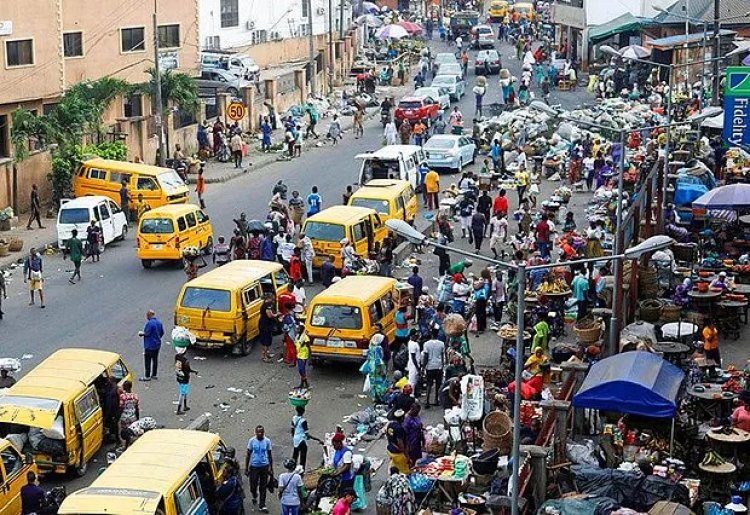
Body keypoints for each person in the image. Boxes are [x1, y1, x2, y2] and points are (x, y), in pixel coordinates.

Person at [246, 425, 273, 512]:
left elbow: (269, 455)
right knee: (253, 486)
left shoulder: (267, 441)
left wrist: (271, 468)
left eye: (261, 432)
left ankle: (262, 504)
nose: (260, 434)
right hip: (254, 466)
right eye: (258, 432)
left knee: (263, 486)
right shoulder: (252, 441)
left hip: (264, 466)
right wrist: (246, 468)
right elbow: (248, 454)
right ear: (255, 432)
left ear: (263, 432)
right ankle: (254, 495)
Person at [362, 334, 388, 402]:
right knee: (379, 382)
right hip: (377, 366)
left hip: (371, 365)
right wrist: (382, 369)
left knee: (373, 382)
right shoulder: (378, 348)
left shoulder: (371, 346)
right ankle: (379, 397)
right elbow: (378, 359)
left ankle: (374, 397)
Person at [139, 309, 164, 381]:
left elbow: (146, 333)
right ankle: (154, 374)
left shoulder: (149, 324)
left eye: (147, 315)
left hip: (149, 345)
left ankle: (147, 376)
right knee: (155, 360)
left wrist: (141, 334)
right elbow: (162, 332)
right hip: (157, 344)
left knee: (147, 360)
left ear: (149, 315)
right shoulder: (159, 323)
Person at [422, 332, 445, 407]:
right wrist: (442, 365)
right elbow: (442, 355)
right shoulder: (441, 344)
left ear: (431, 335)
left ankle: (427, 401)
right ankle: (436, 400)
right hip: (438, 366)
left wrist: (423, 367)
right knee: (438, 384)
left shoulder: (426, 344)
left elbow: (426, 356)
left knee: (429, 384)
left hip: (430, 366)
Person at [386, 409, 410, 473]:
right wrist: (406, 455)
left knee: (395, 464)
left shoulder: (390, 425)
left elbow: (388, 436)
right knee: (404, 470)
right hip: (397, 453)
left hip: (390, 450)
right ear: (402, 418)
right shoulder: (399, 429)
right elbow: (400, 443)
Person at [175, 347, 197, 415]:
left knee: (184, 392)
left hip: (179, 376)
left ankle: (185, 406)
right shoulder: (185, 360)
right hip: (185, 378)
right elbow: (188, 369)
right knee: (182, 393)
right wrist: (194, 371)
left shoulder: (176, 357)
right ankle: (179, 409)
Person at [259, 293, 279, 363]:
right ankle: (264, 357)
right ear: (269, 298)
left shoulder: (264, 304)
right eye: (272, 299)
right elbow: (270, 315)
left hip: (264, 324)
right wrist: (276, 314)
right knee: (266, 341)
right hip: (265, 325)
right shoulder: (267, 306)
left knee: (267, 340)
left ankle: (267, 354)